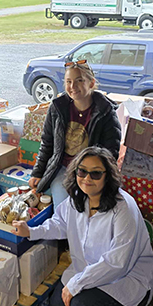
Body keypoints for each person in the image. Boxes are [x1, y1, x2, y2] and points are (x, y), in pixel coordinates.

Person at [13, 146, 153, 306]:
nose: (87, 178)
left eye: (96, 173)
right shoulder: (78, 198)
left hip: (126, 278)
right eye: (82, 171)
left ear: (108, 177)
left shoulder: (122, 207)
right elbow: (60, 224)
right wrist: (31, 231)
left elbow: (117, 263)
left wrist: (76, 284)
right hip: (90, 270)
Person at [28, 59, 122, 205]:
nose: (73, 86)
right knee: (63, 208)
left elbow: (111, 153)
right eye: (68, 81)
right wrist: (37, 173)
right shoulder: (57, 108)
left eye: (79, 81)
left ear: (91, 83)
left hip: (90, 171)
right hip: (63, 168)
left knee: (89, 205)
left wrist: (91, 176)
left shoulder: (105, 112)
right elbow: (47, 143)